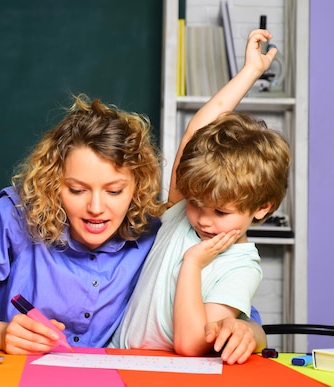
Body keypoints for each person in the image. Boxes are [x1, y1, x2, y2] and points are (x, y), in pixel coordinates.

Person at [0, 44, 267, 365]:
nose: (97, 208)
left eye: (114, 191)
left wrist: (249, 333)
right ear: (52, 182)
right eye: (77, 190)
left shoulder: (156, 229)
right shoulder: (15, 215)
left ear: (138, 186)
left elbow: (242, 317)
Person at [108, 29, 288, 360]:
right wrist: (250, 72)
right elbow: (195, 131)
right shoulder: (179, 212)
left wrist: (191, 264)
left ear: (262, 207)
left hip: (168, 374)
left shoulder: (242, 267)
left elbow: (191, 344)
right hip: (116, 359)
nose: (203, 220)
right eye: (196, 204)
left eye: (221, 213)